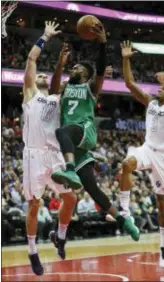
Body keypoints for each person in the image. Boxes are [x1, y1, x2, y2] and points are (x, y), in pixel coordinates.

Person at [50, 23, 140, 245]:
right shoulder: (65, 88)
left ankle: (70, 170)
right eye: (73, 68)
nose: (74, 70)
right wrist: (60, 65)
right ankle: (124, 221)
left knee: (62, 131)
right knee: (92, 188)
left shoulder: (91, 88)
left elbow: (100, 71)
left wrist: (102, 44)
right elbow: (52, 89)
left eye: (77, 69)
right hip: (73, 143)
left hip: (84, 132)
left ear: (86, 75)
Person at [23, 21, 77, 276]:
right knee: (34, 205)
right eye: (40, 75)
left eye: (47, 75)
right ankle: (33, 251)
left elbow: (61, 83)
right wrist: (44, 36)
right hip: (33, 153)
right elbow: (31, 61)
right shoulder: (30, 93)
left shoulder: (57, 97)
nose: (42, 76)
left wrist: (62, 63)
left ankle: (60, 235)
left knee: (71, 197)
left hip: (54, 154)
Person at [119, 40, 164, 267]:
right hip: (147, 148)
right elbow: (129, 83)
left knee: (161, 202)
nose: (159, 89)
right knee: (127, 164)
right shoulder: (151, 103)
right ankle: (125, 212)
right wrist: (126, 59)